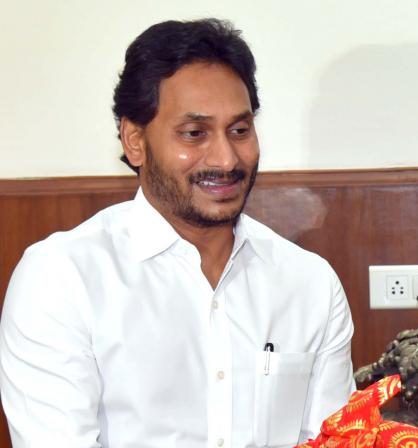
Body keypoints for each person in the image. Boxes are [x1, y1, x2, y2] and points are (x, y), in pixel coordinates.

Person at [0, 19, 354, 448]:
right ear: (135, 140)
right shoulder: (62, 279)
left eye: (239, 131)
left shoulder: (309, 282)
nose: (225, 159)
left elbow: (332, 439)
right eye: (194, 133)